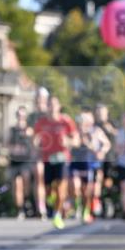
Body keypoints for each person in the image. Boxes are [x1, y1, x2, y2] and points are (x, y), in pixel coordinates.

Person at [33, 95, 78, 230]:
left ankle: (57, 215)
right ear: (47, 107)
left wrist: (68, 142)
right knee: (47, 189)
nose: (52, 107)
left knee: (60, 187)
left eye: (54, 104)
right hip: (47, 159)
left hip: (62, 158)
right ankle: (53, 203)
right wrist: (36, 145)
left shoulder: (66, 121)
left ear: (59, 106)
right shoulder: (42, 122)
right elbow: (34, 139)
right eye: (49, 105)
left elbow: (76, 140)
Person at [69, 111, 110, 223]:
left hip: (89, 164)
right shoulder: (76, 131)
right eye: (81, 120)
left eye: (86, 120)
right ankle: (77, 208)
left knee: (88, 190)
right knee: (76, 187)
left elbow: (107, 143)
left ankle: (87, 210)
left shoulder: (96, 131)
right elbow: (73, 142)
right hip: (76, 162)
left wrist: (101, 151)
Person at [7, 105, 35, 219]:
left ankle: (27, 200)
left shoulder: (30, 130)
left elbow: (35, 145)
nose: (20, 117)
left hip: (26, 161)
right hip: (15, 161)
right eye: (19, 115)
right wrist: (13, 149)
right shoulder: (12, 130)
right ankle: (20, 209)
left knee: (26, 183)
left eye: (23, 115)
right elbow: (7, 144)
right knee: (17, 185)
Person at [28, 87, 50, 220]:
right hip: (39, 153)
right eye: (37, 97)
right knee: (39, 178)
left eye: (41, 98)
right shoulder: (32, 117)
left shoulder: (51, 113)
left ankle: (55, 203)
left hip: (53, 153)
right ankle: (40, 207)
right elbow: (31, 133)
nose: (39, 100)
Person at [93, 103, 118, 218]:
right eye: (98, 112)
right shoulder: (94, 125)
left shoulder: (111, 124)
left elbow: (118, 135)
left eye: (102, 112)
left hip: (109, 157)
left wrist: (111, 129)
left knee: (107, 182)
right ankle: (98, 203)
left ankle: (108, 201)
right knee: (97, 179)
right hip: (97, 158)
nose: (100, 115)